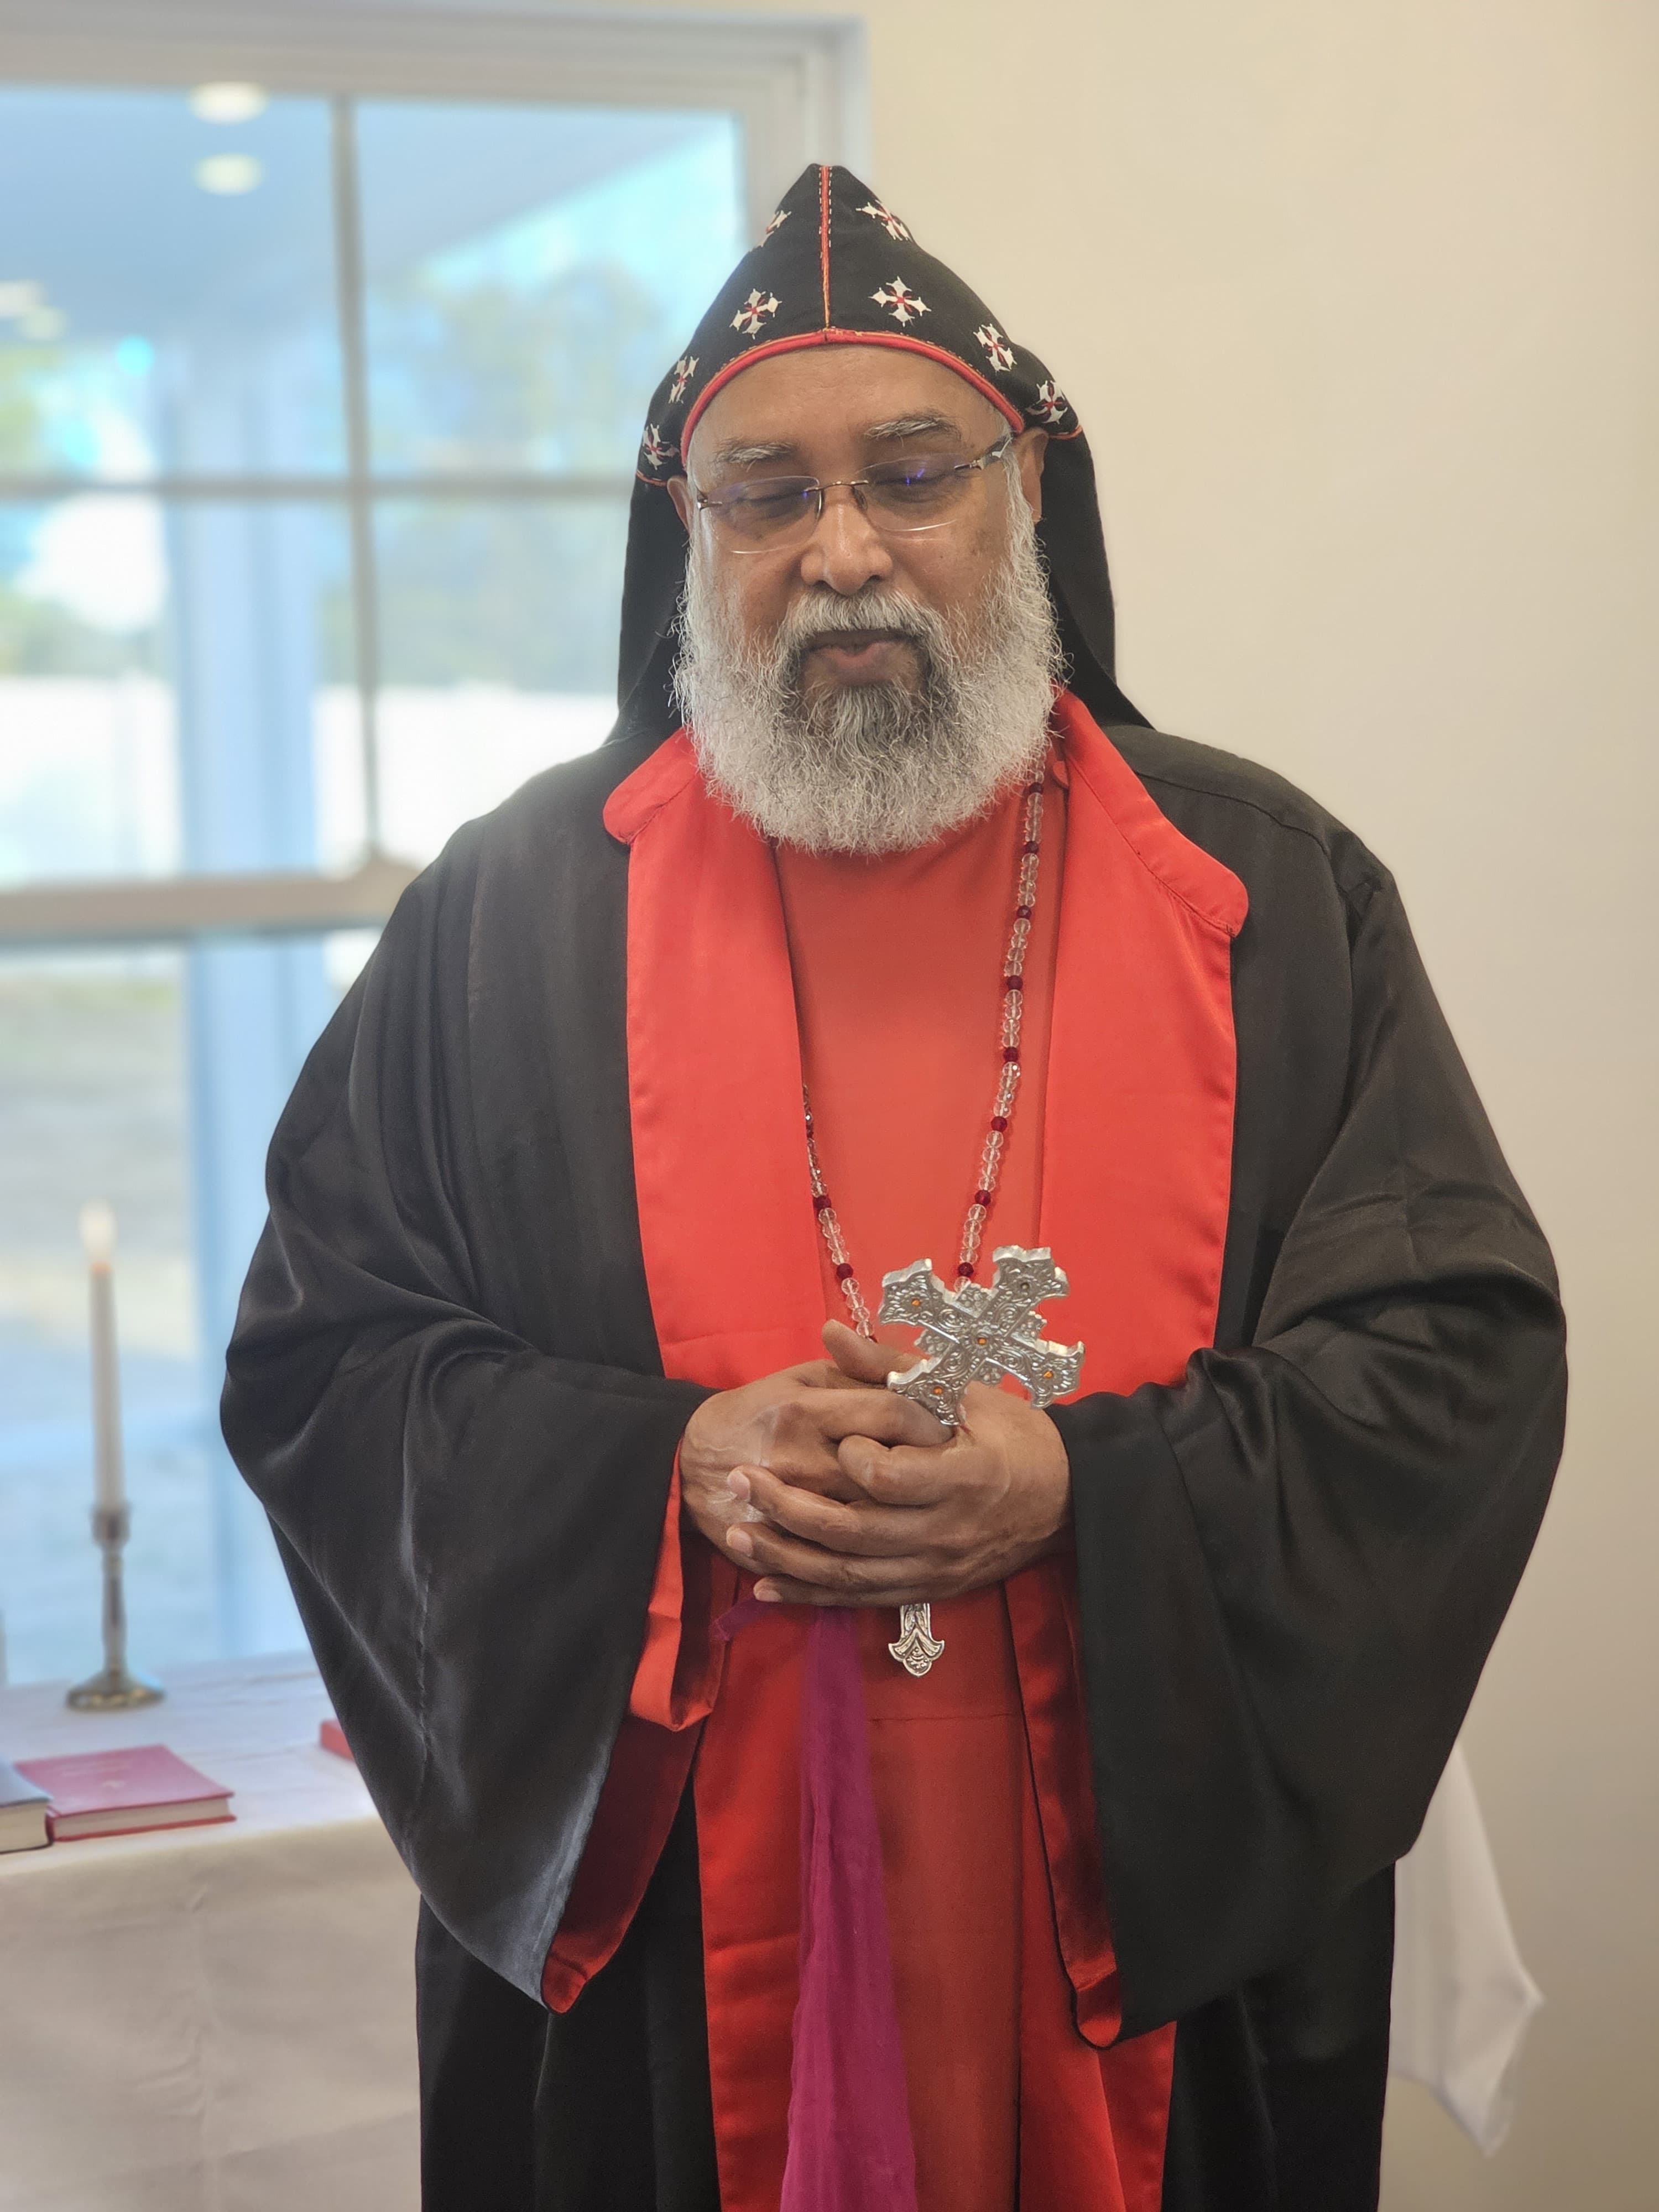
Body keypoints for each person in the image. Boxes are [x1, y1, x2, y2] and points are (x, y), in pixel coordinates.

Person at [222, 166, 1566, 2212]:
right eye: (766, 494)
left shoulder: (1269, 895)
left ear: (1027, 499)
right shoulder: (505, 918)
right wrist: (669, 1466)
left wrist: (1086, 1491)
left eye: (912, 475)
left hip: (1143, 1908)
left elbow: (1454, 1360)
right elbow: (326, 1363)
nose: (842, 550)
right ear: (692, 536)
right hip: (682, 1944)